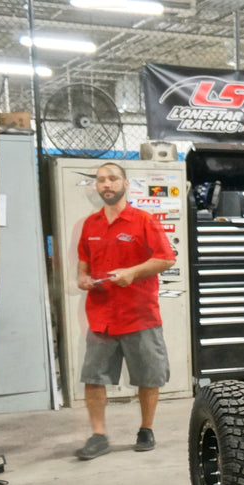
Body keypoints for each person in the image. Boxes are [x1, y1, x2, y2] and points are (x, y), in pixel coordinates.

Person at [74, 162, 176, 460]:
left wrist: (133, 272)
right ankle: (98, 435)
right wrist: (82, 278)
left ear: (125, 183)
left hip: (140, 315)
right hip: (102, 317)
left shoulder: (143, 220)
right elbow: (84, 262)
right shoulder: (90, 224)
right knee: (93, 378)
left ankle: (146, 429)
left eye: (112, 179)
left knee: (148, 377)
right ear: (97, 186)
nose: (107, 184)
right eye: (101, 180)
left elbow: (166, 259)